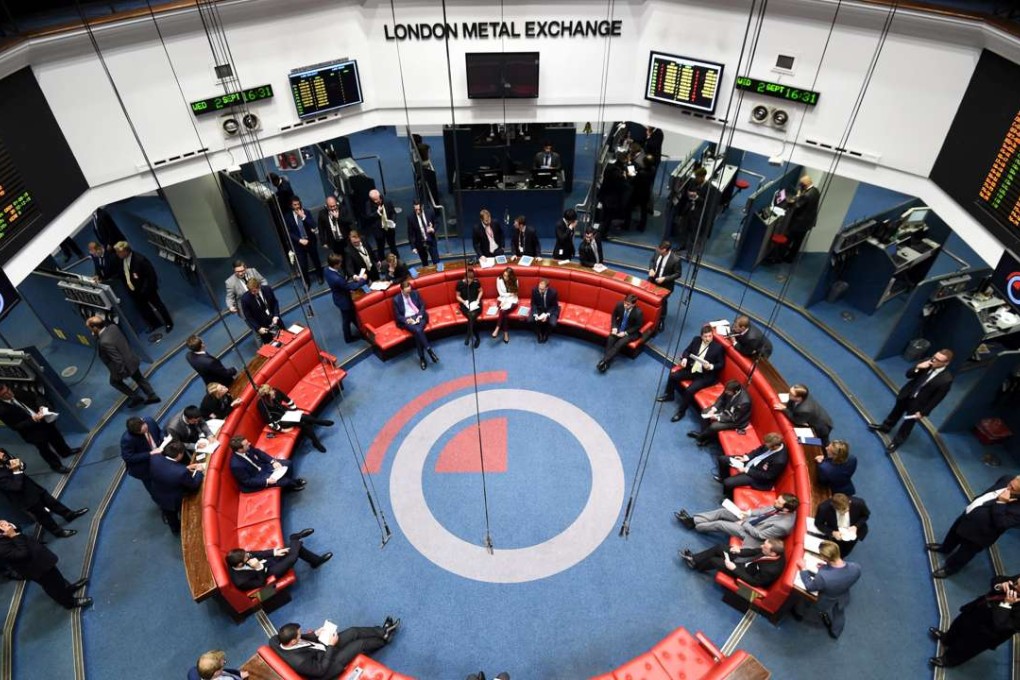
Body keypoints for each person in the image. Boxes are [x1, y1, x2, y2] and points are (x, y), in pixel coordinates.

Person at [927, 474, 1020, 577]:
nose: (1009, 485)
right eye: (1014, 480)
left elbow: (1001, 524)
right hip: (969, 513)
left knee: (964, 554)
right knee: (953, 533)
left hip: (980, 534)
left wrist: (1001, 503)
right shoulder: (1007, 478)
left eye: (1013, 487)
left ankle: (950, 569)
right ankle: (945, 548)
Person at [869, 348, 954, 452]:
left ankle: (897, 442)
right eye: (934, 357)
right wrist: (918, 367)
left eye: (938, 360)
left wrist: (923, 412)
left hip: (919, 404)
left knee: (907, 424)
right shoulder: (928, 361)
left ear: (946, 363)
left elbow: (937, 399)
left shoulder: (946, 379)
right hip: (907, 394)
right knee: (895, 412)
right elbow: (908, 375)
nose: (934, 361)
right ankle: (885, 427)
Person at [929, 573, 1020, 668]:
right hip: (979, 608)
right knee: (959, 624)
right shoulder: (1018, 580)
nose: (1013, 585)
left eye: (1017, 587)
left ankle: (948, 660)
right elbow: (998, 579)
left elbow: (1000, 624)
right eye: (1016, 583)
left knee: (967, 646)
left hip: (988, 631)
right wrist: (1000, 585)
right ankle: (947, 639)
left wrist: (1007, 604)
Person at [0, 518, 91, 609]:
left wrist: (10, 525)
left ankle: (68, 589)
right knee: (52, 586)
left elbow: (18, 529)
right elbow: (23, 554)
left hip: (40, 558)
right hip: (35, 568)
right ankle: (69, 603)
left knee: (57, 578)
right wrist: (13, 535)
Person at [270, 618, 399, 680]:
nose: (301, 633)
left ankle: (382, 631)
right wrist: (331, 645)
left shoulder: (276, 640)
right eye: (299, 634)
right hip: (328, 667)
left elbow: (301, 637)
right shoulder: (299, 661)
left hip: (321, 649)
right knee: (359, 644)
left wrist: (315, 634)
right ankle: (384, 640)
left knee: (353, 631)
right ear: (292, 642)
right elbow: (321, 670)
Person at [0, 448, 87, 538]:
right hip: (24, 498)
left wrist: (20, 465)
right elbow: (15, 486)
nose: (2, 454)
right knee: (43, 515)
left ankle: (69, 515)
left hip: (32, 487)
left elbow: (21, 465)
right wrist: (17, 470)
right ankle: (58, 532)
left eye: (1, 451)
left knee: (51, 502)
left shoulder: (6, 459)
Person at [0, 383, 80, 473]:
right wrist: (32, 420)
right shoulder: (2, 410)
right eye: (4, 394)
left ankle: (65, 452)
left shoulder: (17, 392)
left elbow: (36, 397)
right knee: (45, 449)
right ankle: (56, 466)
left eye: (8, 390)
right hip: (31, 432)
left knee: (56, 437)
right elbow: (15, 426)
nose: (9, 394)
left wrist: (41, 407)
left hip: (43, 420)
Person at [674, 493, 799, 549]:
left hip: (751, 534)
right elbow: (764, 510)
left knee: (720, 524)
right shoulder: (782, 506)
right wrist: (748, 513)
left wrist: (744, 523)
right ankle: (693, 520)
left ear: (786, 510)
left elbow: (760, 536)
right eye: (777, 499)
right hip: (751, 521)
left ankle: (697, 526)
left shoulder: (783, 526)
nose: (775, 502)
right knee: (723, 512)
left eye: (778, 502)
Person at [793, 540, 862, 639]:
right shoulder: (856, 567)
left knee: (802, 597)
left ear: (825, 558)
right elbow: (840, 573)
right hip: (843, 596)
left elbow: (809, 586)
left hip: (824, 600)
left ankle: (798, 613)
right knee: (839, 613)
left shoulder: (823, 576)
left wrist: (803, 569)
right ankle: (835, 632)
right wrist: (826, 567)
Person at [87, 316, 160, 408]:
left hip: (123, 367)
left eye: (90, 328)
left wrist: (121, 373)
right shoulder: (113, 327)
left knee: (114, 382)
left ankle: (135, 397)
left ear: (95, 328)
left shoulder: (104, 342)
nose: (89, 330)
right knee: (139, 378)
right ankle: (152, 395)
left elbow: (117, 359)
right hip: (131, 358)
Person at [225, 528, 332, 590]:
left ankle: (314, 560)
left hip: (266, 562)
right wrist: (258, 567)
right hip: (268, 575)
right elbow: (261, 583)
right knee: (293, 557)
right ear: (239, 565)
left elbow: (258, 553)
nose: (248, 555)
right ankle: (294, 538)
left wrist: (274, 552)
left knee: (291, 550)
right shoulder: (241, 581)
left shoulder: (240, 556)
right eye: (246, 557)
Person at [657, 325, 725, 422]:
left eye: (710, 336)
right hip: (692, 369)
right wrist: (685, 358)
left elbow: (721, 364)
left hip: (705, 375)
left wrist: (711, 366)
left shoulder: (718, 348)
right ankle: (669, 395)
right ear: (701, 336)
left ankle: (681, 412)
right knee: (673, 376)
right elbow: (687, 351)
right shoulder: (696, 340)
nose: (708, 338)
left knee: (689, 391)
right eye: (705, 336)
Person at [113, 241, 173, 333]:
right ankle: (155, 324)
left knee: (158, 305)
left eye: (118, 252)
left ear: (125, 251)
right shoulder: (122, 260)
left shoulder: (139, 259)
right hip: (134, 291)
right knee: (144, 309)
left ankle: (168, 323)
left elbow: (151, 276)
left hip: (147, 290)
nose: (117, 254)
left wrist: (145, 290)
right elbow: (123, 273)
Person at [680, 537, 786, 588]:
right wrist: (740, 551)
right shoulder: (774, 551)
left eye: (765, 547)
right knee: (719, 547)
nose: (762, 546)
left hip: (744, 574)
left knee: (715, 561)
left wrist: (733, 568)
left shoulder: (771, 570)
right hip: (746, 565)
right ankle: (694, 559)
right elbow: (755, 551)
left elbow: (755, 582)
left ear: (773, 554)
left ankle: (697, 566)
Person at [257, 385, 333, 453]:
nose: (273, 392)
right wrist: (282, 430)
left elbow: (288, 401)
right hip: (279, 420)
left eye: (272, 390)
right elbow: (269, 422)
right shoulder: (261, 404)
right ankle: (319, 424)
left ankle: (316, 442)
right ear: (266, 397)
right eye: (271, 393)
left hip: (285, 412)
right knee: (302, 421)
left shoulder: (276, 391)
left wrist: (296, 411)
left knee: (302, 421)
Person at [149, 441, 204, 535]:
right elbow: (194, 485)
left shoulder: (155, 458)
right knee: (179, 513)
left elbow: (166, 469)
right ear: (179, 455)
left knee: (170, 517)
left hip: (157, 493)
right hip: (173, 500)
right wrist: (199, 471)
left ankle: (175, 530)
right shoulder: (181, 472)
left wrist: (186, 468)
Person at [715, 432, 787, 498]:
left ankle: (729, 496)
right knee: (722, 459)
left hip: (757, 476)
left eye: (767, 445)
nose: (765, 445)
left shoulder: (779, 461)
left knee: (727, 483)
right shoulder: (772, 442)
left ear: (774, 447)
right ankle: (723, 477)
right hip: (751, 462)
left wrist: (746, 470)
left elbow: (767, 476)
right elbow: (758, 450)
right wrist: (746, 457)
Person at [228, 436, 305, 493]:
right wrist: (266, 481)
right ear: (240, 449)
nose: (249, 444)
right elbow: (247, 481)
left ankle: (291, 481)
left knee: (288, 463)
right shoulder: (236, 465)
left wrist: (273, 461)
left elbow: (259, 453)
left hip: (263, 467)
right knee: (285, 481)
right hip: (257, 477)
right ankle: (291, 485)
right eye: (247, 444)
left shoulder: (247, 447)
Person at [688, 379, 751, 447]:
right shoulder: (730, 388)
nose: (726, 392)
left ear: (735, 392)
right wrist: (714, 409)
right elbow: (721, 399)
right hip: (726, 409)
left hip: (736, 421)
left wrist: (718, 417)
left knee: (714, 426)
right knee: (705, 412)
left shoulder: (744, 402)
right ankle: (705, 436)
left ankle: (701, 437)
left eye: (728, 392)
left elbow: (734, 418)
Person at [393, 280, 438, 370]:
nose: (409, 293)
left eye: (410, 291)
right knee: (418, 331)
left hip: (419, 316)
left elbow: (422, 305)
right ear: (401, 290)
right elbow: (398, 316)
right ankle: (429, 350)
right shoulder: (396, 299)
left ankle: (422, 358)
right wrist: (407, 320)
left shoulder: (415, 293)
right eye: (407, 292)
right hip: (408, 319)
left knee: (417, 331)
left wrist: (420, 316)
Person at [325, 253, 367, 343]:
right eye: (340, 263)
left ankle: (361, 332)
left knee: (350, 317)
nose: (341, 264)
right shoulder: (337, 279)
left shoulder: (326, 270)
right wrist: (363, 280)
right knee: (347, 319)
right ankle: (349, 338)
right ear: (335, 265)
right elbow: (350, 287)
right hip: (344, 301)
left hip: (338, 296)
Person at [597, 294, 644, 373]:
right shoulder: (620, 305)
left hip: (631, 332)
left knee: (619, 343)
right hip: (619, 327)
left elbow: (637, 326)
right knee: (610, 339)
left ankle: (604, 361)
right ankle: (606, 362)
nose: (625, 305)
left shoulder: (638, 313)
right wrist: (614, 327)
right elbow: (614, 316)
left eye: (628, 304)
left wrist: (625, 333)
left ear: (633, 304)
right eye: (625, 303)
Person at [814, 493, 870, 558]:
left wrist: (856, 526)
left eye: (847, 509)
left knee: (846, 550)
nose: (844, 512)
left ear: (849, 502)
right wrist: (832, 532)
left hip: (854, 532)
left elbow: (865, 515)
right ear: (833, 506)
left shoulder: (859, 503)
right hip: (836, 534)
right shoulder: (824, 508)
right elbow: (818, 523)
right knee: (835, 550)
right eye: (841, 511)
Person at [779, 174, 820, 262]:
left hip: (799, 223)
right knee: (798, 242)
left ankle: (779, 257)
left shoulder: (806, 195)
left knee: (787, 239)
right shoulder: (816, 191)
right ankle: (791, 258)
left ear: (804, 185)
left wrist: (796, 197)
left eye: (801, 184)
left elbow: (796, 206)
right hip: (808, 223)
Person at [284, 196, 323, 287]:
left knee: (316, 260)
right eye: (295, 205)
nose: (297, 206)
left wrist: (303, 217)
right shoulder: (288, 217)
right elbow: (288, 232)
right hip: (299, 244)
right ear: (291, 205)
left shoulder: (307, 213)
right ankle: (306, 282)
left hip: (310, 242)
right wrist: (299, 240)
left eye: (298, 204)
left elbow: (313, 225)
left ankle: (320, 276)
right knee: (302, 265)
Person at [120, 416, 163, 495]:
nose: (145, 431)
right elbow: (128, 457)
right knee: (155, 490)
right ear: (135, 432)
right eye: (142, 432)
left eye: (146, 429)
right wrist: (150, 454)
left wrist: (163, 437)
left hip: (159, 456)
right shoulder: (127, 439)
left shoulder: (149, 421)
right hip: (144, 467)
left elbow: (159, 431)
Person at [647, 241, 682, 328]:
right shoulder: (657, 252)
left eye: (661, 250)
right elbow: (652, 261)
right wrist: (651, 269)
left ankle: (661, 320)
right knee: (648, 296)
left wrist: (665, 279)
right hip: (652, 280)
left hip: (665, 285)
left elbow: (678, 274)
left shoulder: (675, 259)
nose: (659, 251)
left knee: (662, 301)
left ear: (666, 250)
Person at [240, 278, 282, 345]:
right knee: (271, 346)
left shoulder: (267, 289)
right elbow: (248, 316)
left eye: (254, 291)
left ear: (259, 287)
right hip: (263, 326)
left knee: (284, 338)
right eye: (250, 291)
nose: (252, 293)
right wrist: (258, 328)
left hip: (275, 319)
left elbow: (275, 302)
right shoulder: (245, 299)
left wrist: (276, 315)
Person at [364, 189, 398, 262]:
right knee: (380, 247)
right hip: (378, 230)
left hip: (389, 228)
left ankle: (397, 259)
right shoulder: (368, 204)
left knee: (392, 245)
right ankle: (382, 262)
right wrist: (377, 212)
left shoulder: (387, 201)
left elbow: (393, 213)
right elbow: (368, 216)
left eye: (378, 199)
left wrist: (393, 222)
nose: (377, 201)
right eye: (375, 200)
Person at [406, 199, 440, 266]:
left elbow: (437, 222)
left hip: (431, 240)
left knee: (436, 261)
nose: (418, 211)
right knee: (425, 264)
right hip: (420, 243)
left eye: (419, 209)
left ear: (422, 207)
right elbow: (410, 233)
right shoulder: (410, 217)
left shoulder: (430, 212)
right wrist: (413, 246)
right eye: (416, 210)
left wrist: (433, 229)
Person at [456, 268, 483, 349]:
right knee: (472, 318)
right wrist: (464, 302)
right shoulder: (459, 284)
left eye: (471, 280)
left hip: (476, 303)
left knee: (472, 316)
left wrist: (478, 299)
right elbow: (457, 296)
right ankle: (477, 338)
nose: (469, 282)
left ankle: (468, 336)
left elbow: (481, 291)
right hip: (465, 303)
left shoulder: (476, 282)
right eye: (468, 280)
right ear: (464, 277)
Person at [493, 267, 519, 344]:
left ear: (511, 276)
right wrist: (508, 296)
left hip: (513, 301)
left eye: (507, 276)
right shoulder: (499, 279)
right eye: (504, 275)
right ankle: (505, 333)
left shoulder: (515, 280)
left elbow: (515, 294)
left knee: (503, 311)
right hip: (501, 299)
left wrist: (507, 298)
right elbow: (501, 293)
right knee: (504, 312)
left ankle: (497, 328)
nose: (505, 277)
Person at [529, 279, 559, 344]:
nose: (540, 290)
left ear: (547, 288)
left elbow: (554, 306)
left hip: (549, 309)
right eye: (539, 288)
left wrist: (547, 315)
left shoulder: (553, 293)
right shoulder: (534, 290)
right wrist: (535, 314)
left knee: (553, 323)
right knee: (530, 320)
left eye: (542, 289)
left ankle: (546, 334)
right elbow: (533, 304)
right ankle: (539, 334)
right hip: (539, 309)